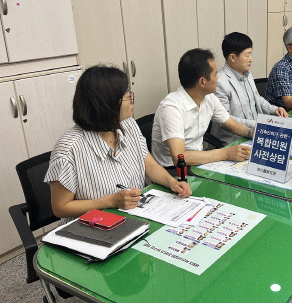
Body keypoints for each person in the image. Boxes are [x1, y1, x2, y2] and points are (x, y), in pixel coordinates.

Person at [44, 65, 192, 223]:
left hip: (135, 218)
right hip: (92, 227)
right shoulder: (69, 149)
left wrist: (172, 182)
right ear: (106, 104)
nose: (132, 99)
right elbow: (60, 207)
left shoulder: (128, 125)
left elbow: (150, 166)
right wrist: (109, 201)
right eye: (127, 95)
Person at [151, 48, 253, 167]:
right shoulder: (171, 107)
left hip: (199, 163)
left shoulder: (209, 98)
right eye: (215, 74)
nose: (218, 78)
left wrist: (251, 132)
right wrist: (226, 153)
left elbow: (231, 125)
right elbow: (180, 157)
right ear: (202, 82)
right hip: (174, 171)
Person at [213, 32, 288, 145]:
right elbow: (226, 120)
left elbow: (257, 99)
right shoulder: (220, 82)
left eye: (251, 54)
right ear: (232, 57)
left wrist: (274, 109)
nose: (251, 59)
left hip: (254, 133)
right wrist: (256, 124)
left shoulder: (247, 74)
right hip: (233, 141)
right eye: (247, 55)